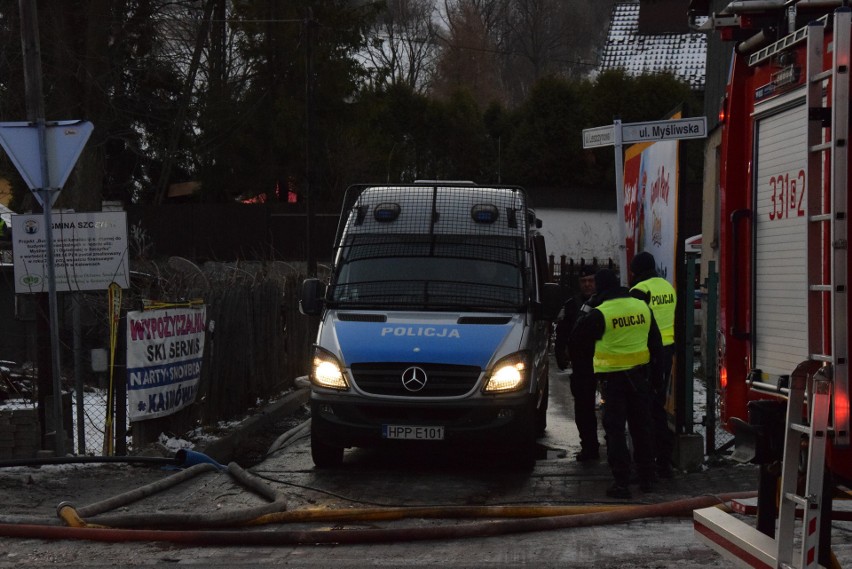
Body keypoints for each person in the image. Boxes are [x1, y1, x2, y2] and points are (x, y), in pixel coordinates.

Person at [570, 268, 661, 499]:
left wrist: (586, 308)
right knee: (642, 427)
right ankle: (648, 478)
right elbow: (656, 344)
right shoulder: (642, 306)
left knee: (616, 431)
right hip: (640, 377)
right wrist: (657, 378)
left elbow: (576, 338)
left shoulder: (600, 313)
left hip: (613, 381)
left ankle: (621, 482)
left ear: (600, 287)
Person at [629, 251, 677, 479]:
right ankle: (664, 461)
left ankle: (648, 462)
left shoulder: (640, 291)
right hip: (667, 352)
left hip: (647, 354)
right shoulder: (668, 287)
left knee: (645, 410)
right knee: (658, 407)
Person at [554, 265, 600, 461]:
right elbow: (562, 331)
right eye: (584, 281)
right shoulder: (572, 304)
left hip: (607, 362)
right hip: (582, 364)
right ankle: (589, 447)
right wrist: (560, 354)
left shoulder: (604, 302)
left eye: (591, 281)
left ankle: (612, 445)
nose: (587, 285)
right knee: (583, 408)